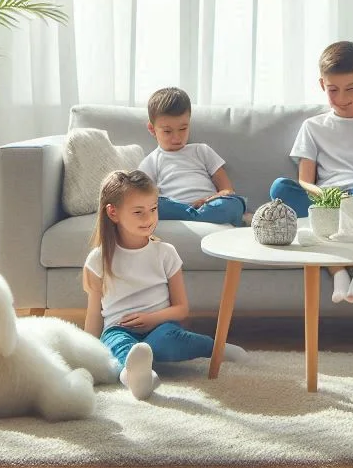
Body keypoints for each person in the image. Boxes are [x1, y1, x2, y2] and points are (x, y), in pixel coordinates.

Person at [83, 168, 246, 400]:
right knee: (116, 348)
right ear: (113, 213)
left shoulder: (165, 253)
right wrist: (88, 352)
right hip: (118, 328)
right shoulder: (98, 259)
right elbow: (94, 314)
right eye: (138, 212)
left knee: (167, 340)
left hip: (160, 326)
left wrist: (149, 319)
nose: (149, 219)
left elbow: (181, 308)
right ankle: (135, 377)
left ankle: (216, 348)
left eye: (153, 209)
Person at [269, 41, 353, 305]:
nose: (342, 98)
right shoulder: (312, 126)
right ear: (322, 85)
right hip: (326, 198)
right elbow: (304, 181)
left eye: (351, 89)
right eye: (333, 90)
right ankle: (338, 272)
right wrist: (324, 195)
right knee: (280, 189)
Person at [139, 86, 247, 226]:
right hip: (177, 207)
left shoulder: (201, 150)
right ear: (152, 129)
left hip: (210, 205)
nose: (177, 137)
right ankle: (194, 215)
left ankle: (197, 215)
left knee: (236, 203)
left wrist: (212, 199)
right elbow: (144, 198)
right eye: (167, 131)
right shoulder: (151, 161)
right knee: (155, 205)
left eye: (183, 129)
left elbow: (227, 190)